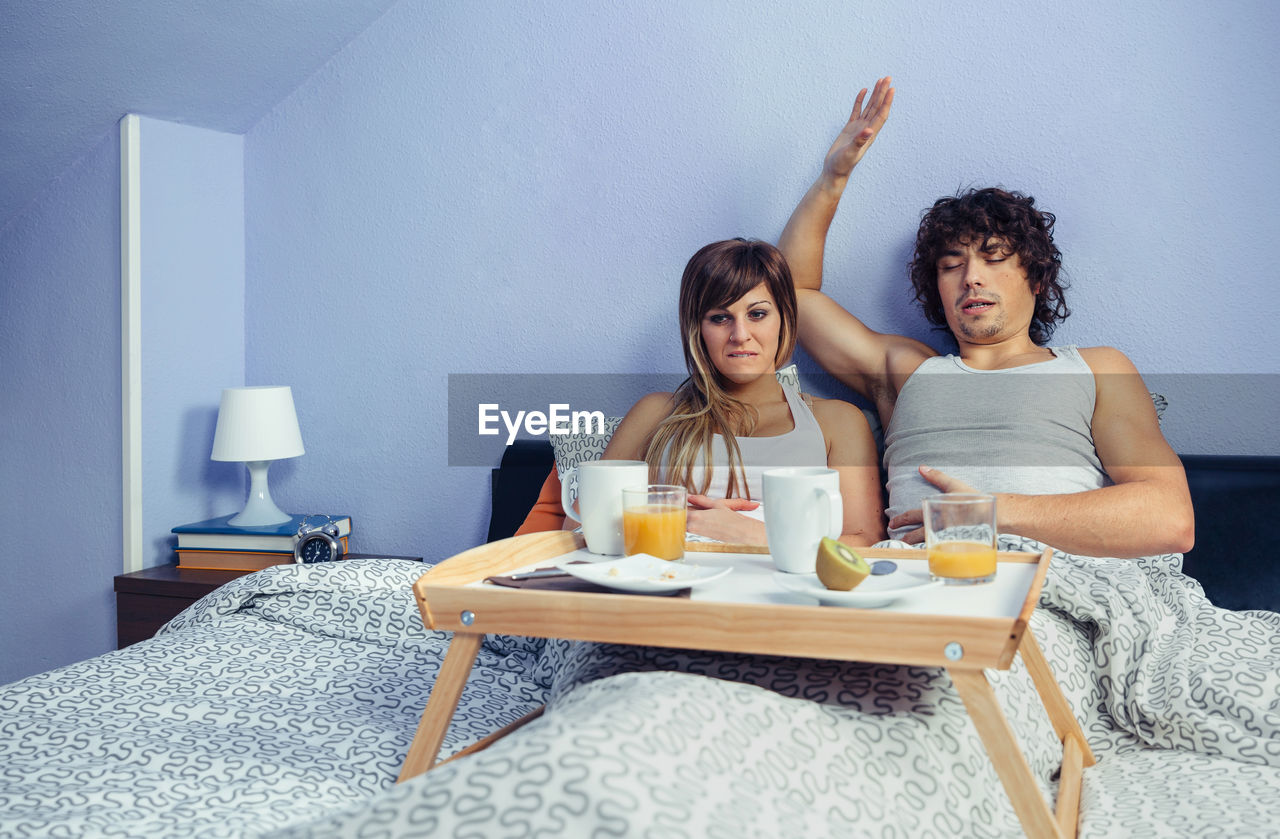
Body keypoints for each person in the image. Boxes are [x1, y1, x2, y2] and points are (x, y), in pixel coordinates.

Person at [778, 77, 1194, 558]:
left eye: (994, 258)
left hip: (1047, 581)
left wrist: (989, 513)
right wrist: (833, 178)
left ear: (1035, 279)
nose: (971, 277)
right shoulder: (906, 370)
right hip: (911, 587)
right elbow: (793, 293)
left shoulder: (1096, 369)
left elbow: (1170, 518)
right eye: (951, 265)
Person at [599, 237, 885, 547]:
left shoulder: (839, 422)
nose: (740, 335)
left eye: (757, 314)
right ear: (697, 328)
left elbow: (865, 542)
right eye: (720, 318)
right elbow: (581, 523)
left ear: (784, 319)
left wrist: (754, 535)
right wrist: (677, 520)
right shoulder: (656, 413)